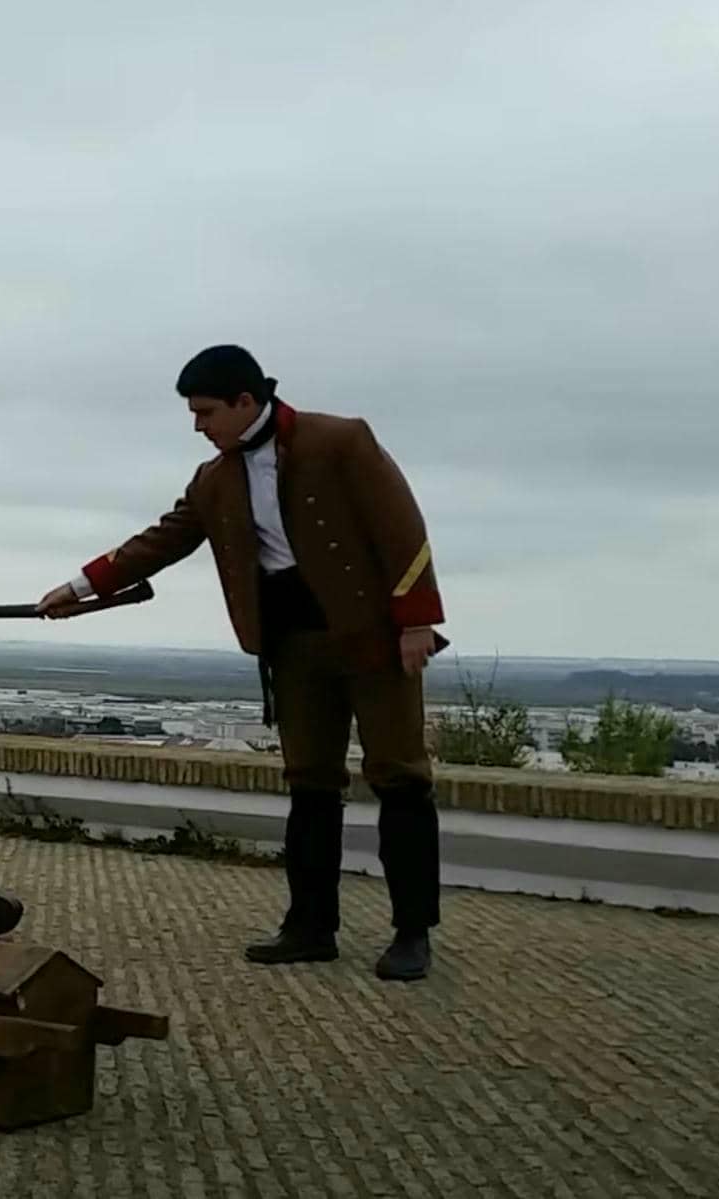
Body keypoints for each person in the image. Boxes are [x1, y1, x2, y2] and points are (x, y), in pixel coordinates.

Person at [36, 345, 447, 981]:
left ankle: (412, 933)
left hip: (373, 636)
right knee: (311, 784)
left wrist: (417, 620)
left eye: (205, 413)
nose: (198, 426)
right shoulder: (213, 480)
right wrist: (81, 587)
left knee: (400, 779)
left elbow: (403, 526)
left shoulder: (341, 440)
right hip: (291, 643)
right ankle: (310, 927)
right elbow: (161, 541)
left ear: (244, 402)